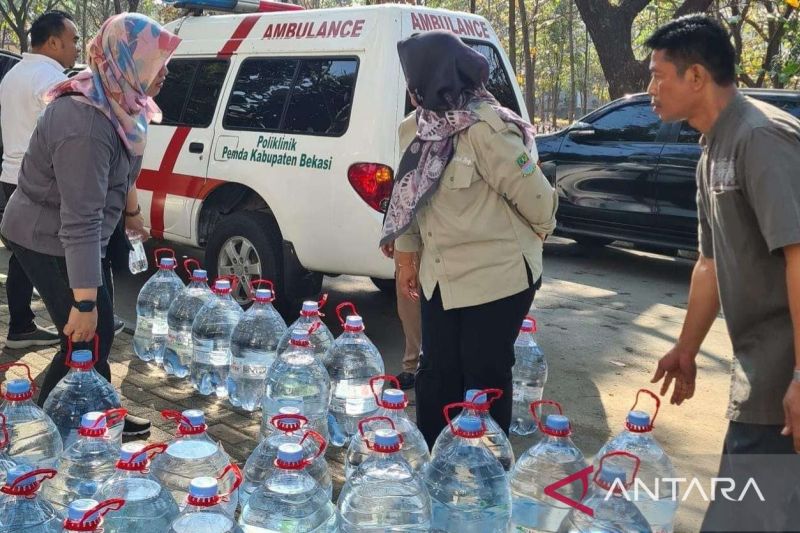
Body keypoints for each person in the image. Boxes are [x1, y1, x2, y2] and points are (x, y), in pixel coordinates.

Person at [647, 15, 800, 531]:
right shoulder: (711, 146)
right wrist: (686, 349)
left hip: (786, 375)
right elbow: (709, 265)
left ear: (695, 77)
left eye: (658, 75)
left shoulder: (761, 138)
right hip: (760, 376)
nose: (650, 89)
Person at [0, 13, 180, 436]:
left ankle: (98, 414)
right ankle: (35, 435)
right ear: (125, 61)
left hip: (83, 234)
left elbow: (125, 170)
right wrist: (83, 304)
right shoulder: (83, 122)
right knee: (82, 334)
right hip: (46, 236)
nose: (166, 72)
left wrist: (132, 214)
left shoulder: (121, 101)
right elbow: (78, 221)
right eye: (158, 61)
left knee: (94, 331)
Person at [381, 31, 557, 448]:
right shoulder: (414, 128)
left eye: (413, 77)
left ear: (434, 77)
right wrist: (407, 260)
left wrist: (538, 232)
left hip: (498, 277)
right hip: (441, 275)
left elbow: (541, 204)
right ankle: (435, 463)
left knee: (483, 375)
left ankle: (485, 469)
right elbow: (409, 196)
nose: (409, 88)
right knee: (437, 372)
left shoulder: (487, 129)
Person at [0, 11, 78, 349]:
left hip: (10, 177)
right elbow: (65, 134)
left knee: (23, 254)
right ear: (53, 42)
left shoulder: (15, 73)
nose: (77, 47)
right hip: (40, 185)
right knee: (61, 255)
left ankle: (21, 325)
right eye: (74, 40)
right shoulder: (51, 79)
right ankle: (78, 323)